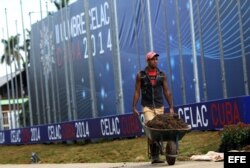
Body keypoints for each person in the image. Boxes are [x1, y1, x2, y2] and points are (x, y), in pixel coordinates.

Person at [132, 51, 174, 164]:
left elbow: (167, 91)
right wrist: (134, 107)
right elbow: (137, 92)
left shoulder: (161, 75)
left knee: (161, 130)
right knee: (152, 128)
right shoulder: (141, 75)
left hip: (159, 107)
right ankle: (154, 156)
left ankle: (167, 151)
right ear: (148, 61)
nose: (155, 61)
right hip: (147, 107)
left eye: (156, 59)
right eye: (152, 59)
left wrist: (171, 107)